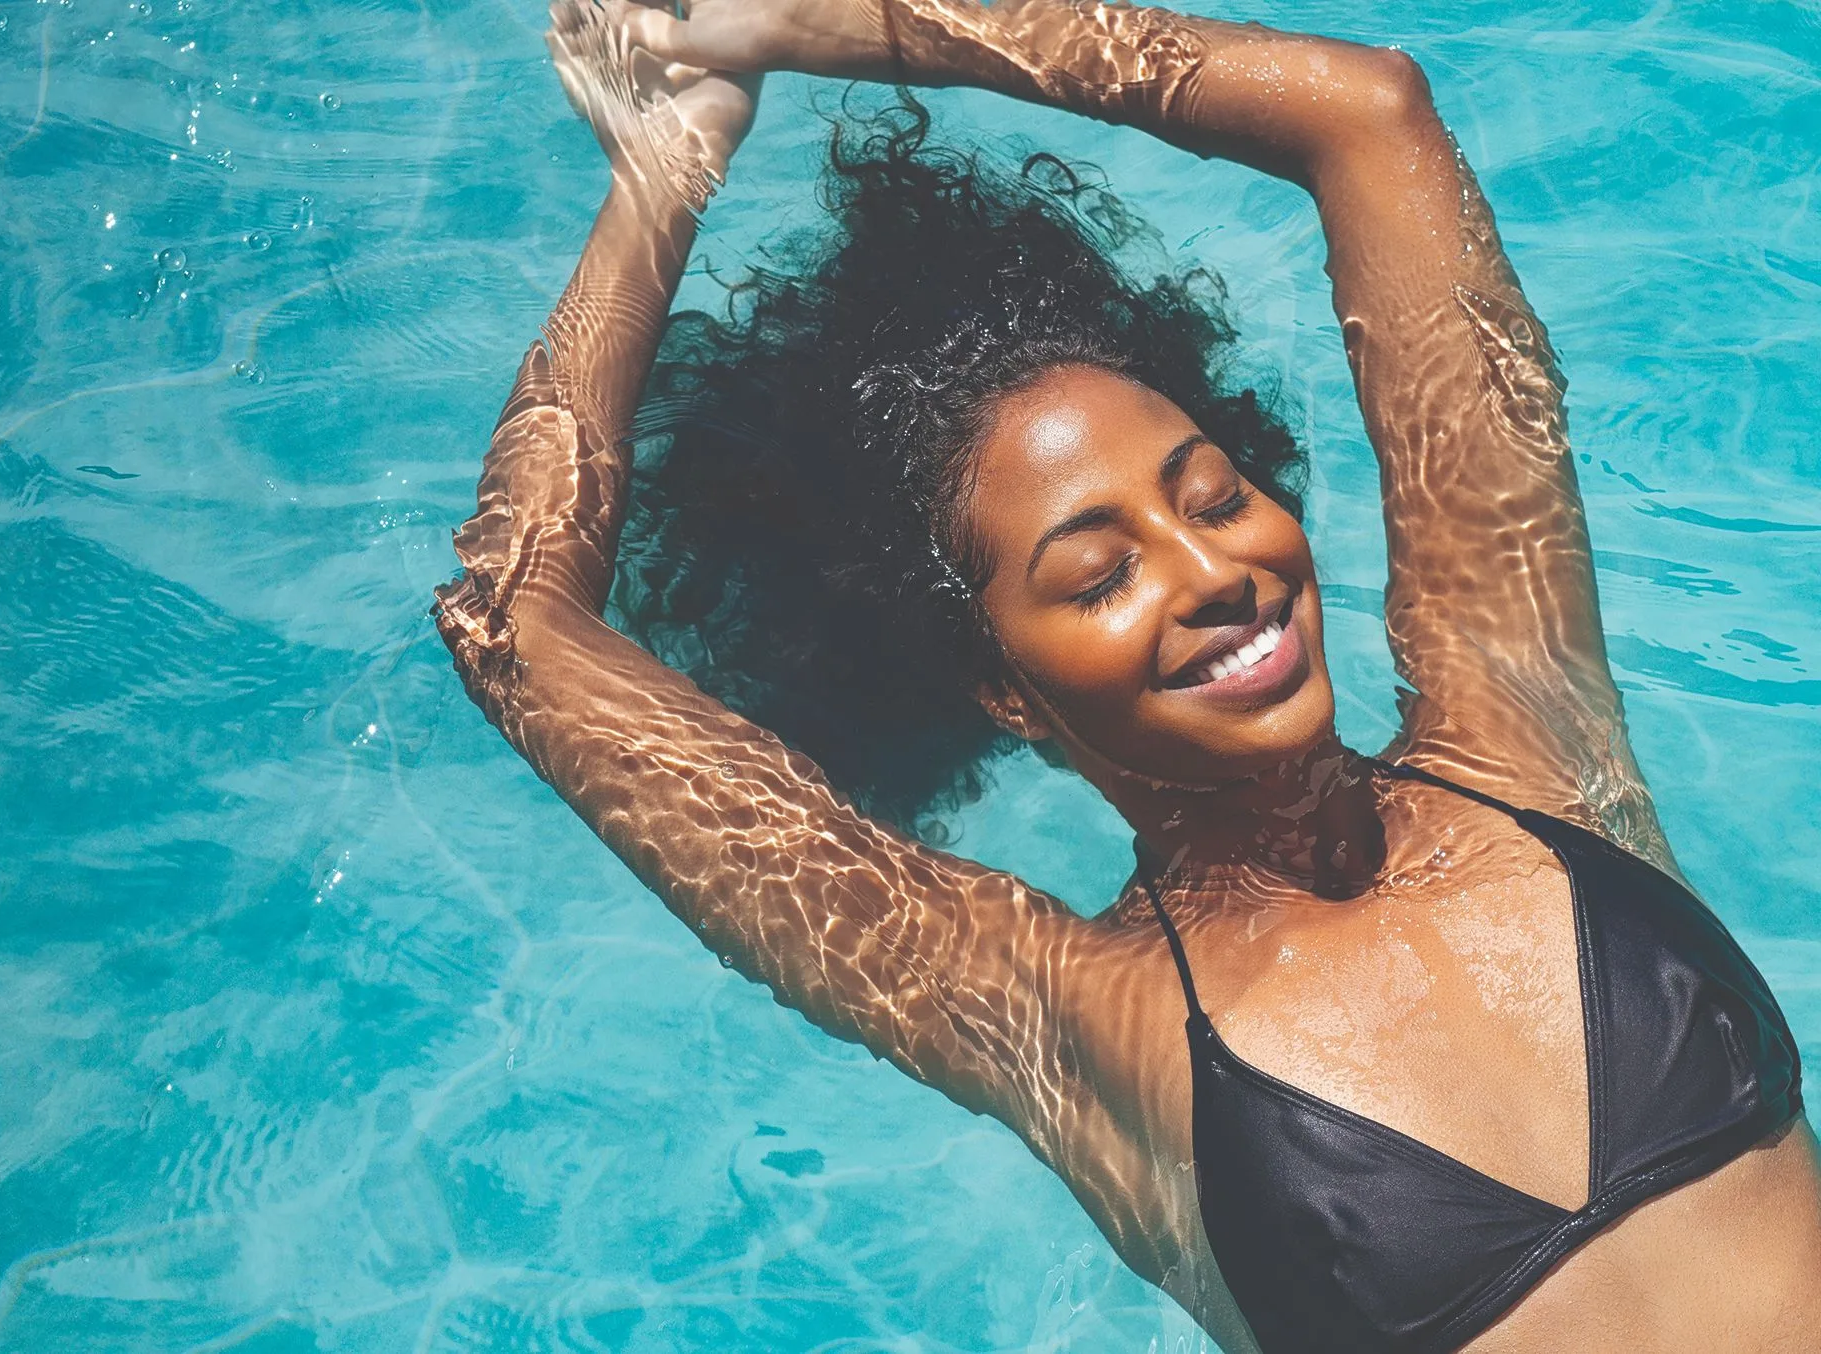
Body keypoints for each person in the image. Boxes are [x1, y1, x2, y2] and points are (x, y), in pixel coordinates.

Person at [434, 2, 1821, 1349]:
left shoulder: (1523, 732)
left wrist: (817, 23)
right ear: (1005, 691)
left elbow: (1370, 114)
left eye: (1215, 497)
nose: (1212, 571)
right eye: (1099, 575)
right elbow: (515, 627)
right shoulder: (1075, 1015)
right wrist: (661, 170)